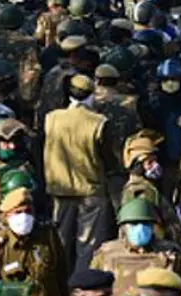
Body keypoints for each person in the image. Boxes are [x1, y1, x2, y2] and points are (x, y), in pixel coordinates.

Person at [42, 73, 115, 272]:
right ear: (91, 95)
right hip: (91, 191)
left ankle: (61, 282)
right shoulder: (99, 122)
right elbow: (108, 158)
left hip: (60, 191)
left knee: (61, 242)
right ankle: (85, 282)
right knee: (89, 246)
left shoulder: (51, 118)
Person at [89, 198, 181, 296]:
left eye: (146, 223)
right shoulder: (106, 253)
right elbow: (92, 288)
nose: (140, 227)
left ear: (153, 226)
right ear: (123, 227)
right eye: (134, 224)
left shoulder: (172, 253)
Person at [0, 187, 69, 296]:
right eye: (18, 212)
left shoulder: (47, 236)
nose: (24, 216)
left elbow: (61, 274)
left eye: (28, 211)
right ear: (6, 216)